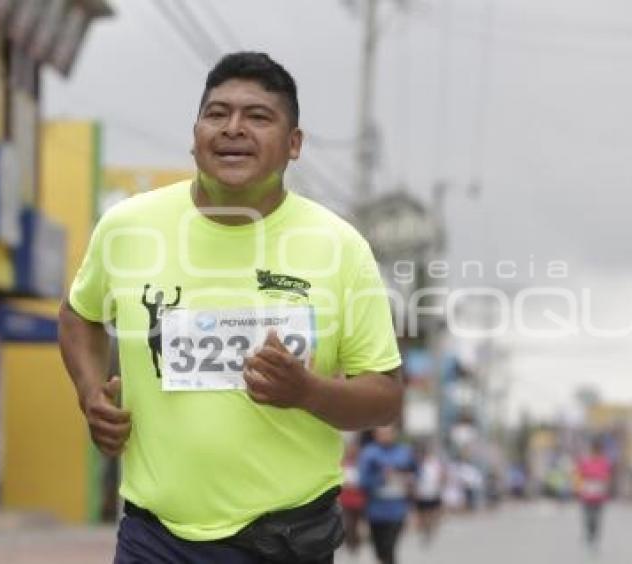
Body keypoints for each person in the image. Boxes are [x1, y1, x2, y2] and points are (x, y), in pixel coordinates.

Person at [58, 51, 404, 564]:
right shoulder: (129, 226)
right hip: (154, 537)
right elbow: (78, 314)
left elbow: (384, 396)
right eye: (216, 114)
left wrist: (307, 391)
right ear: (195, 134)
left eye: (258, 116)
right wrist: (90, 393)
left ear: (294, 144)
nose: (233, 129)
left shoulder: (338, 246)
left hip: (285, 541)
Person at [358, 425, 416, 564]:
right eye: (382, 433)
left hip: (397, 509)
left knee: (390, 546)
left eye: (389, 433)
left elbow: (416, 472)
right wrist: (381, 477)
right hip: (375, 510)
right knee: (380, 550)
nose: (386, 436)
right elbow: (363, 481)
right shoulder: (369, 453)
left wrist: (409, 479)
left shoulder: (404, 452)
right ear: (375, 434)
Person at [576, 439, 612, 549]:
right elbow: (580, 475)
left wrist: (605, 486)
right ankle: (590, 535)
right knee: (588, 517)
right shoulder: (585, 461)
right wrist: (580, 487)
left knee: (597, 518)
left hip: (599, 495)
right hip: (587, 493)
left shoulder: (604, 462)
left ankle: (594, 536)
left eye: (598, 450)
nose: (596, 452)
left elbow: (607, 477)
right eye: (595, 449)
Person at [413, 442, 445, 545]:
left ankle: (430, 529)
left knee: (433, 512)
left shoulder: (434, 463)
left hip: (433, 491)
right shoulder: (417, 464)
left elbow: (441, 475)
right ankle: (425, 530)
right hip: (422, 493)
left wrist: (440, 484)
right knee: (423, 514)